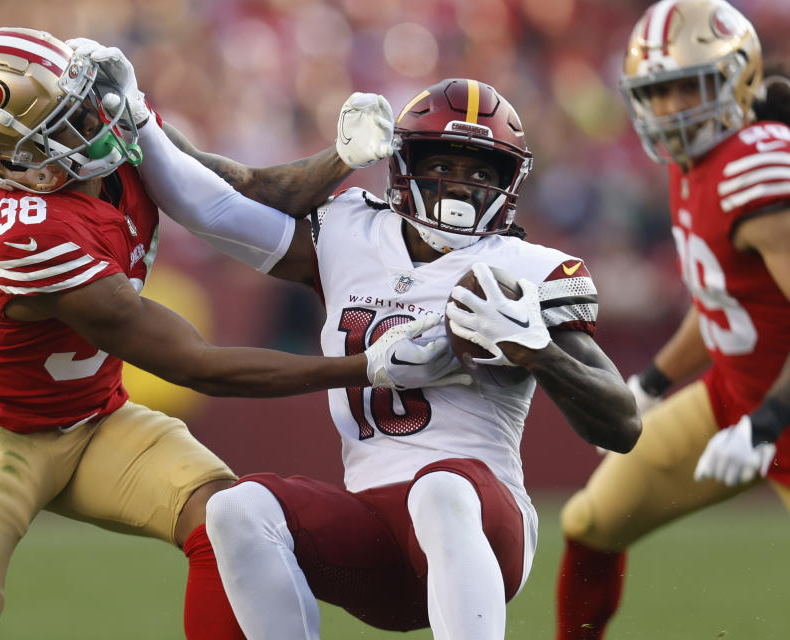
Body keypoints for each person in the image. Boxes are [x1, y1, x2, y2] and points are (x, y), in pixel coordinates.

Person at [0, 28, 468, 640]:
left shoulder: (111, 134)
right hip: (1, 433)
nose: (92, 125)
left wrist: (341, 157)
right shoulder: (30, 234)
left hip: (98, 418)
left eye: (80, 105)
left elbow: (248, 191)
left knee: (229, 520)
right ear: (10, 162)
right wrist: (365, 366)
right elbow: (198, 365)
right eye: (63, 125)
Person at [128, 70, 642, 639]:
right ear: (406, 168)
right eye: (442, 165)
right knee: (237, 507)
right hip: (373, 531)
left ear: (507, 182)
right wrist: (135, 115)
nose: (460, 184)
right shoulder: (351, 233)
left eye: (479, 171)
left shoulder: (528, 270)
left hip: (485, 526)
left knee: (439, 488)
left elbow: (622, 424)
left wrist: (539, 352)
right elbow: (213, 207)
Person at [555, 1, 790, 637]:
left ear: (737, 78)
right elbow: (726, 303)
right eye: (658, 92)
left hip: (774, 412)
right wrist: (654, 382)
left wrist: (769, 421)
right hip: (732, 401)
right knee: (591, 523)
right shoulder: (695, 164)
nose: (673, 108)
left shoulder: (757, 166)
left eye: (690, 86)